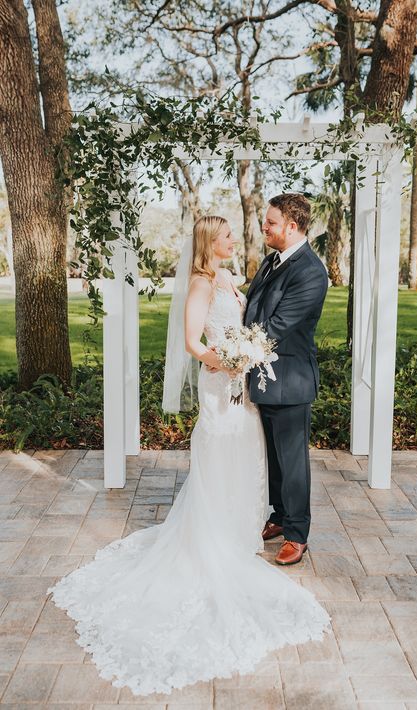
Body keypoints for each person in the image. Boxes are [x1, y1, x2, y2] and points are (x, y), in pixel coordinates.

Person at [47, 215, 330, 697]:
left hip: (250, 380)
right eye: (226, 236)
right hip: (226, 381)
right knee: (228, 449)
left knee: (259, 453)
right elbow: (193, 341)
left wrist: (243, 355)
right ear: (208, 243)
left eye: (267, 223)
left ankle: (271, 525)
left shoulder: (254, 274)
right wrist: (229, 360)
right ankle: (233, 528)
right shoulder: (205, 281)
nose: (240, 236)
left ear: (295, 224)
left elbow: (269, 322)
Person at [244, 193, 328, 565]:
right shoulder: (270, 260)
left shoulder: (310, 272)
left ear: (292, 227)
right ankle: (278, 517)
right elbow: (254, 308)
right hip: (262, 378)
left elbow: (276, 327)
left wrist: (232, 354)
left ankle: (297, 533)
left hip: (290, 381)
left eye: (271, 222)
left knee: (292, 461)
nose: (265, 226)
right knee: (273, 459)